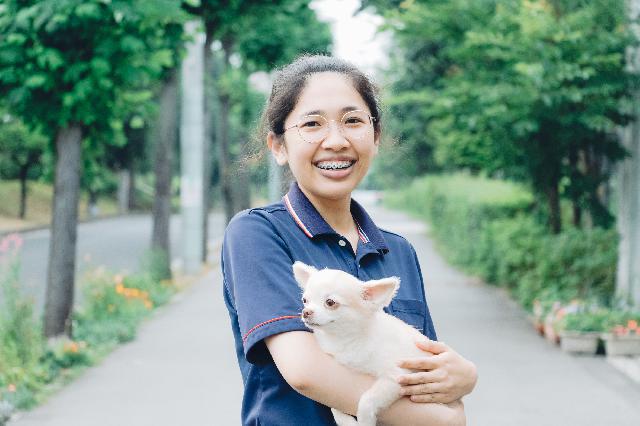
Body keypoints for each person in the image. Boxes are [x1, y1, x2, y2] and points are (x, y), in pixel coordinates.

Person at [222, 55, 477, 426]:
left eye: (353, 121)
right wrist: (445, 419)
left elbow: (423, 373)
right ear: (278, 146)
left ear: (375, 138)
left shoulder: (398, 251)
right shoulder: (258, 233)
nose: (336, 141)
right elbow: (306, 372)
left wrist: (464, 375)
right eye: (312, 124)